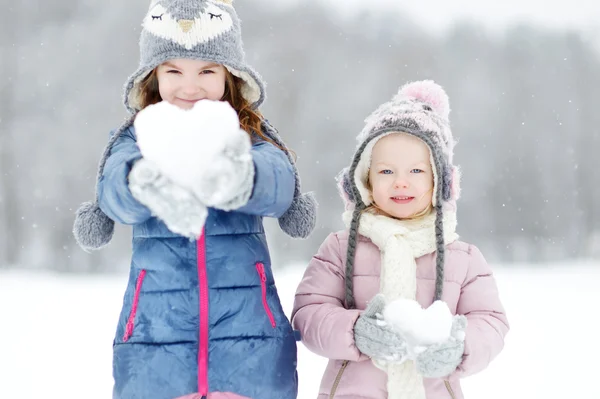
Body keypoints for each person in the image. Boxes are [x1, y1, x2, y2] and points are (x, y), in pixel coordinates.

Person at [72, 1, 317, 398]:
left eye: (207, 71)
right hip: (155, 347)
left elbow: (278, 180)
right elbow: (113, 190)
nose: (191, 86)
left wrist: (241, 178)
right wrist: (143, 182)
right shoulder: (138, 139)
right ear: (153, 77)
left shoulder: (245, 136)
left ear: (229, 76)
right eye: (174, 71)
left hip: (250, 347)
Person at [292, 80, 509, 399]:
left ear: (442, 181)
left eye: (417, 171)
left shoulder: (462, 257)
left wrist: (459, 346)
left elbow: (491, 322)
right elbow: (308, 313)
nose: (401, 183)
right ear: (364, 178)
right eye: (386, 172)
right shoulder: (340, 249)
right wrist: (354, 330)